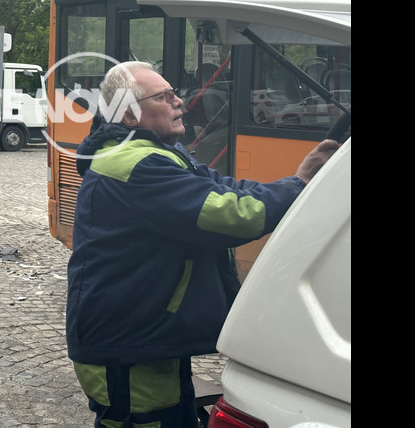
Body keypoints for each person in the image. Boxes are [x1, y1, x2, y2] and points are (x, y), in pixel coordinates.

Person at [65, 61, 338, 428]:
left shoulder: (157, 154)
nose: (180, 102)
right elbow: (237, 215)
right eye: (164, 96)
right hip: (124, 344)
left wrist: (294, 181)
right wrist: (302, 182)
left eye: (174, 92)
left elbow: (227, 189)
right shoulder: (139, 165)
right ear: (129, 115)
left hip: (145, 332)